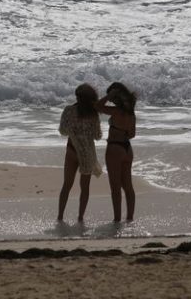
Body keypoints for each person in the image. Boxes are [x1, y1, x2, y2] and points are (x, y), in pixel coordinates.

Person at [57, 83, 102, 222]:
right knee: (85, 188)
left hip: (72, 150)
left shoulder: (69, 110)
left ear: (77, 96)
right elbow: (97, 135)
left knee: (67, 185)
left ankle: (60, 216)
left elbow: (63, 131)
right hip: (87, 153)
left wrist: (74, 130)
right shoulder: (93, 114)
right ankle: (80, 217)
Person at [95, 82, 137, 222]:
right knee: (128, 186)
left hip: (114, 148)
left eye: (113, 99)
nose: (111, 101)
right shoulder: (131, 112)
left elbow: (97, 106)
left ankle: (117, 219)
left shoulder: (117, 111)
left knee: (115, 187)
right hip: (127, 149)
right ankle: (130, 217)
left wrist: (108, 96)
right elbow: (132, 134)